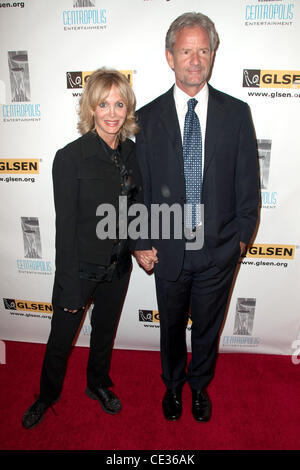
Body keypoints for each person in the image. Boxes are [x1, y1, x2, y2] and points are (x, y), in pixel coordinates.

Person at [134, 12, 259, 422]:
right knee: (170, 328)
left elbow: (248, 186)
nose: (195, 59)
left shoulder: (236, 113)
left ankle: (199, 387)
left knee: (207, 328)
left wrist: (240, 240)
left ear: (212, 55)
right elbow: (139, 188)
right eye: (186, 50)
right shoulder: (147, 118)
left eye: (203, 50)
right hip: (167, 249)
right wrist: (140, 240)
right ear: (170, 57)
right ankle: (173, 386)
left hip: (218, 251)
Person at [22, 68, 141, 429]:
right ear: (90, 108)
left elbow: (134, 208)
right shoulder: (70, 157)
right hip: (81, 270)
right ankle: (46, 395)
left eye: (119, 103)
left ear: (127, 109)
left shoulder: (133, 153)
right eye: (103, 103)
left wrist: (139, 247)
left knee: (104, 335)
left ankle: (97, 384)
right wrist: (70, 284)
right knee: (61, 339)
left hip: (117, 268)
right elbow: (66, 226)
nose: (111, 112)